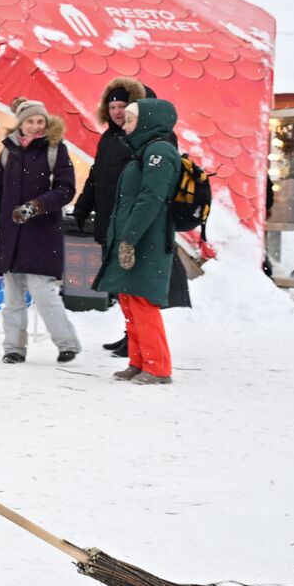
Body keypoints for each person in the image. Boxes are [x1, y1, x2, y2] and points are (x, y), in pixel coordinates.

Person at [0, 98, 80, 364]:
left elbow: (66, 189)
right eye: (30, 121)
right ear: (20, 123)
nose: (35, 126)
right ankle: (14, 348)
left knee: (43, 293)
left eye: (40, 121)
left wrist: (36, 206)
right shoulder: (9, 151)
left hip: (42, 234)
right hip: (13, 235)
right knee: (13, 298)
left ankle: (67, 344)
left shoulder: (56, 150)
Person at [97, 98, 181, 384]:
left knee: (143, 302)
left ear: (148, 121)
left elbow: (151, 199)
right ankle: (139, 361)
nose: (125, 122)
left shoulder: (159, 152)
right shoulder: (143, 151)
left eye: (131, 118)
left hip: (148, 240)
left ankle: (158, 368)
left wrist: (129, 238)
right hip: (134, 237)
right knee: (130, 299)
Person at [73, 76, 143, 359]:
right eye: (112, 106)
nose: (117, 111)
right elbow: (96, 176)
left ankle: (136, 337)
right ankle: (130, 333)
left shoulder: (136, 137)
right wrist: (82, 206)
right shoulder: (108, 138)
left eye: (122, 105)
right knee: (119, 286)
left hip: (125, 224)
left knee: (131, 284)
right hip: (107, 221)